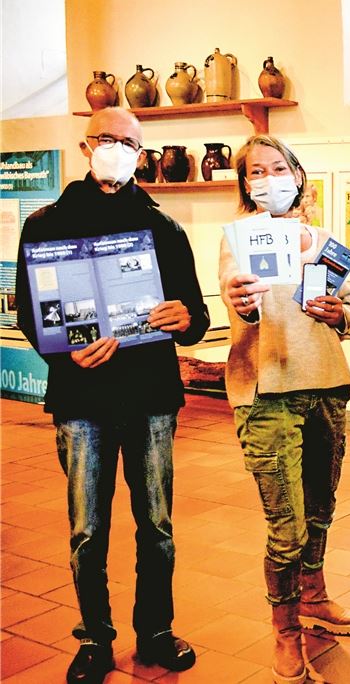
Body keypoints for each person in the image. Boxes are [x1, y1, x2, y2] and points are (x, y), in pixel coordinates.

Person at [15, 107, 207, 684]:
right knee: (87, 531)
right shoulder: (47, 224)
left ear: (142, 154)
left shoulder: (164, 228)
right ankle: (95, 638)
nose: (119, 149)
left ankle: (155, 631)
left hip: (150, 398)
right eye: (109, 139)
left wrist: (183, 318)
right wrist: (62, 351)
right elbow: (30, 311)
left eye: (130, 143)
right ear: (85, 145)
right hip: (81, 399)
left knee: (157, 527)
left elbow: (195, 316)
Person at [220, 135, 350, 684]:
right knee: (287, 526)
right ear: (246, 184)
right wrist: (244, 305)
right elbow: (237, 300)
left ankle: (314, 597)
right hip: (266, 393)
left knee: (321, 510)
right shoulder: (236, 240)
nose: (268, 177)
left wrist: (339, 314)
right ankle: (284, 632)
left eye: (278, 167)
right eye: (256, 171)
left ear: (297, 175)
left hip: (327, 384)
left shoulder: (325, 239)